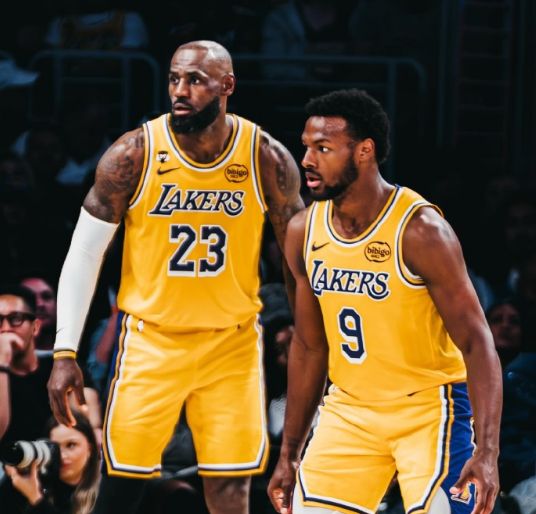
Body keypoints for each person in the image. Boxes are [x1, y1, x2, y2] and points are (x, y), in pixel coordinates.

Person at [47, 40, 304, 514]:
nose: (180, 90)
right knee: (122, 484)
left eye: (195, 80)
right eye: (173, 79)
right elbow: (83, 253)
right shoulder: (133, 153)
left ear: (227, 86)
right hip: (153, 341)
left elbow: (296, 261)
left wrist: (311, 339)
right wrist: (65, 350)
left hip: (231, 344)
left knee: (230, 489)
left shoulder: (265, 156)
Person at [267, 89, 503, 514]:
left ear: (364, 150)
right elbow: (309, 346)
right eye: (306, 147)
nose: (307, 160)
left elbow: (477, 342)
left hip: (429, 407)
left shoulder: (420, 230)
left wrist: (487, 452)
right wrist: (289, 453)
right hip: (350, 408)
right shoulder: (303, 231)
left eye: (323, 148)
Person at [0, 285, 102, 448]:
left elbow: (87, 425)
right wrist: (2, 361)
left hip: (57, 458)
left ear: (35, 327)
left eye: (16, 319)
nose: (5, 329)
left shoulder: (61, 367)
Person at [1, 410, 100, 514]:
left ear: (90, 449)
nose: (62, 455)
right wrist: (16, 475)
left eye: (71, 445)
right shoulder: (40, 485)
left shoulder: (103, 491)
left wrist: (36, 499)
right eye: (54, 448)